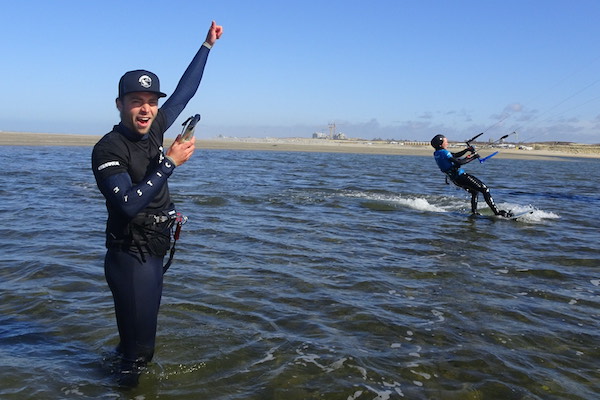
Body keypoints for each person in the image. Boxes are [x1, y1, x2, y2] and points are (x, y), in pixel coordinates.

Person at [91, 21, 223, 387]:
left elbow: (184, 93)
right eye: (137, 102)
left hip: (153, 250)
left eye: (151, 102)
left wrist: (207, 46)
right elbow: (128, 206)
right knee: (139, 353)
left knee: (134, 346)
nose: (146, 109)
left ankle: (108, 379)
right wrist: (169, 163)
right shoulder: (109, 148)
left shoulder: (156, 128)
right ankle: (123, 389)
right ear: (120, 105)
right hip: (130, 256)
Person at [430, 134, 512, 217]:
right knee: (485, 189)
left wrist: (467, 150)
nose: (447, 143)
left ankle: (474, 213)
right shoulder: (444, 152)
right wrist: (473, 157)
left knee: (474, 192)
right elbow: (459, 162)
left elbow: (455, 155)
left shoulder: (437, 153)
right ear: (440, 144)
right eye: (446, 142)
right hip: (460, 177)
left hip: (455, 180)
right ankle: (497, 213)